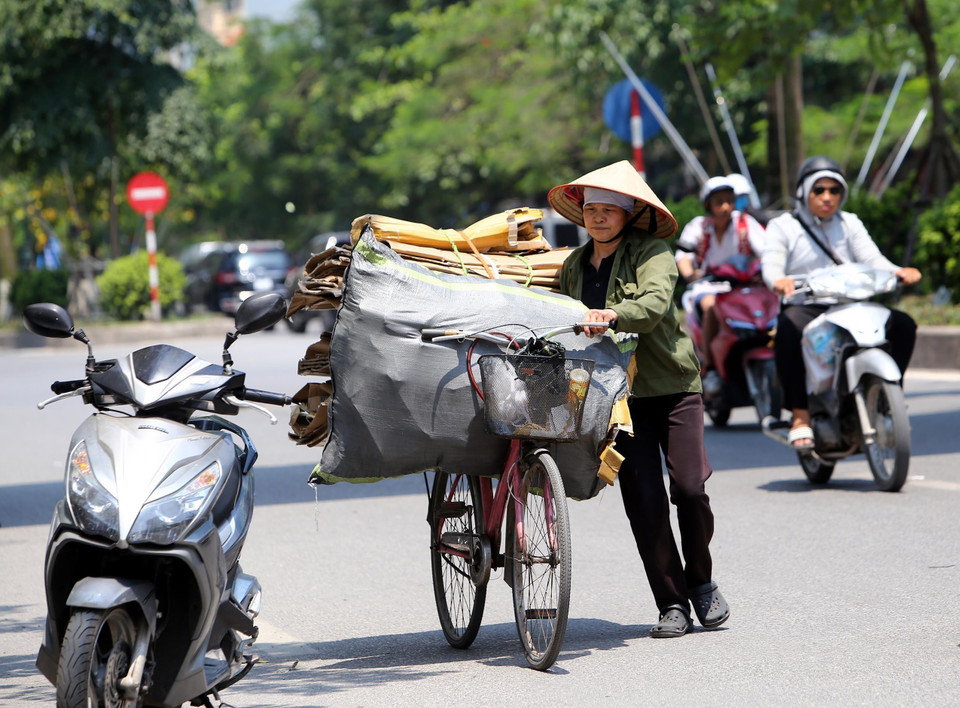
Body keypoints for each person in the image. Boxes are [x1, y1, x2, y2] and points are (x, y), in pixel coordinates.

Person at [549, 160, 729, 638]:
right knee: (644, 501)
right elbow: (557, 318)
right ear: (582, 213)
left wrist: (611, 313)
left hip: (673, 389)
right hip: (615, 400)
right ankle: (671, 603)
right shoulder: (571, 266)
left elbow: (651, 305)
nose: (599, 217)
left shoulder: (654, 253)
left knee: (689, 489)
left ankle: (703, 583)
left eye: (610, 209)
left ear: (628, 214)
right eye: (592, 208)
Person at [761, 156, 922, 449]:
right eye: (819, 190)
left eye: (834, 191)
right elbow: (771, 263)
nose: (827, 197)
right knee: (787, 328)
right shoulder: (783, 226)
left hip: (851, 303)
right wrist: (778, 280)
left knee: (903, 325)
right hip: (807, 304)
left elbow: (872, 259)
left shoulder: (850, 223)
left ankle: (887, 398)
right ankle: (800, 416)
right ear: (803, 192)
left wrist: (898, 271)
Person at [675, 176, 766, 395]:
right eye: (719, 202)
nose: (725, 207)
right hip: (709, 286)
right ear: (708, 205)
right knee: (710, 306)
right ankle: (712, 367)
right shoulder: (698, 226)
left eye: (729, 200)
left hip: (742, 286)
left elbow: (767, 251)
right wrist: (690, 275)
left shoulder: (746, 224)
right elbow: (683, 256)